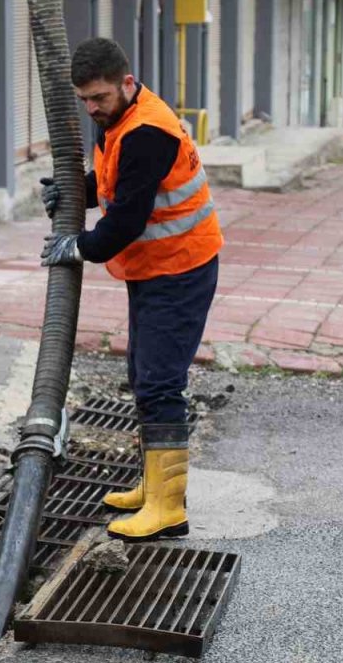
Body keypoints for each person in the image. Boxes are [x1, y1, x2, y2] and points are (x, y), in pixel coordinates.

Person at [40, 38, 222, 543]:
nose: (92, 108)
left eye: (99, 97)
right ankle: (155, 486)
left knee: (161, 382)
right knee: (144, 376)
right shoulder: (122, 119)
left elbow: (126, 218)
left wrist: (78, 246)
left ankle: (167, 509)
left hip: (180, 269)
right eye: (85, 100)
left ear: (125, 82)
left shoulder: (146, 130)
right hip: (157, 269)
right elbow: (118, 182)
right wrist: (79, 188)